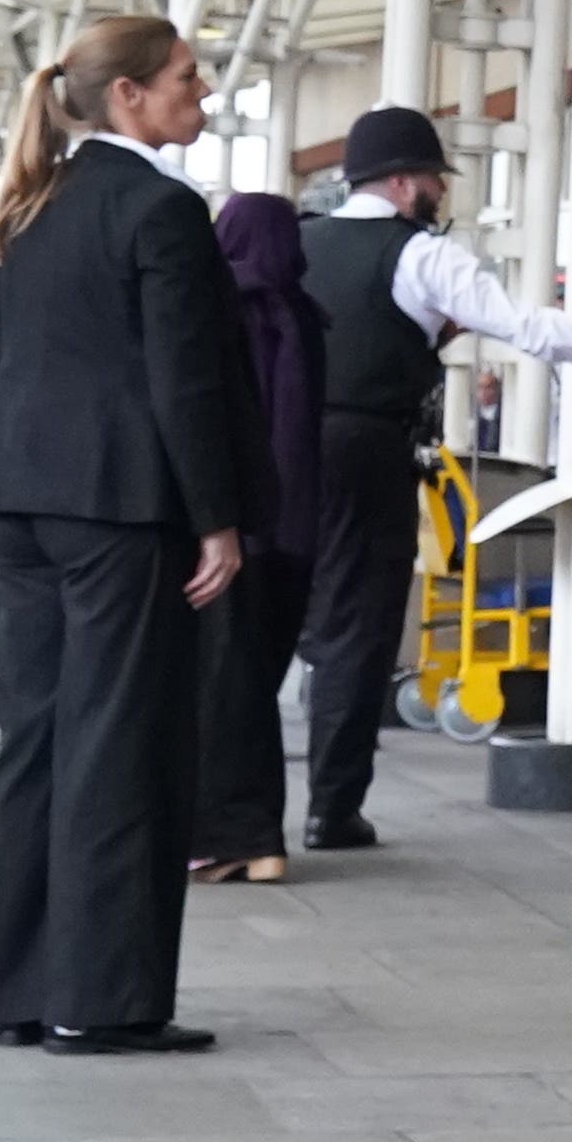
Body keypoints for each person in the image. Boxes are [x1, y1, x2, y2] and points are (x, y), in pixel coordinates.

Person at [294, 109, 572, 853]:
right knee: (357, 626)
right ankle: (332, 806)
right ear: (401, 182)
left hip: (278, 446)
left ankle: (237, 810)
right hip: (366, 449)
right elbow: (529, 329)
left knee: (271, 622)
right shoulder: (422, 255)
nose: (439, 193)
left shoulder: (298, 242)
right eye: (433, 180)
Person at [0, 18, 255, 1054]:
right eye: (186, 77)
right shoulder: (160, 207)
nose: (203, 93)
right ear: (128, 95)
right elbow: (185, 376)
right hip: (119, 505)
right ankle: (105, 999)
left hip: (19, 501)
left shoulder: (25, 209)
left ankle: (26, 993)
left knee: (35, 741)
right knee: (121, 742)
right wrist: (217, 517)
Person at [184, 190, 326, 885]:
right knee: (254, 687)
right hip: (296, 535)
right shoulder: (303, 312)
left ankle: (237, 836)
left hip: (238, 533)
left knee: (221, 688)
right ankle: (258, 837)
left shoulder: (231, 308)